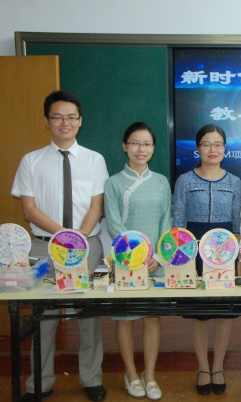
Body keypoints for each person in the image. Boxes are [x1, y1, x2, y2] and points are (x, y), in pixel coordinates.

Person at [11, 90, 108, 401]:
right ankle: (39, 383)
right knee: (43, 319)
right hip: (44, 249)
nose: (65, 122)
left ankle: (91, 379)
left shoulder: (94, 160)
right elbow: (29, 210)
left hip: (87, 247)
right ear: (47, 120)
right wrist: (64, 238)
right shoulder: (31, 161)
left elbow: (96, 206)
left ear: (80, 121)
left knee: (89, 318)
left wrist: (79, 238)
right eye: (57, 117)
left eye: (71, 117)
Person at [172, 124, 241, 396]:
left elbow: (238, 224)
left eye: (218, 144)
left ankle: (218, 367)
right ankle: (203, 367)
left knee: (224, 314)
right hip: (194, 250)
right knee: (199, 315)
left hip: (225, 250)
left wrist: (237, 257)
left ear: (225, 149)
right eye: (206, 144)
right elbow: (178, 223)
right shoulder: (184, 181)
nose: (212, 149)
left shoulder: (234, 182)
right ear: (198, 148)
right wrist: (180, 257)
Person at [104, 122, 172, 400]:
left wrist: (156, 256)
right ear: (125, 146)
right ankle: (131, 374)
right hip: (126, 261)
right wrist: (135, 256)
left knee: (152, 318)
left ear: (153, 148)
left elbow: (166, 221)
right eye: (135, 143)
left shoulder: (161, 182)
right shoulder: (113, 183)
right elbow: (113, 224)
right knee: (126, 319)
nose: (140, 149)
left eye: (146, 144)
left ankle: (150, 375)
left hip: (155, 263)